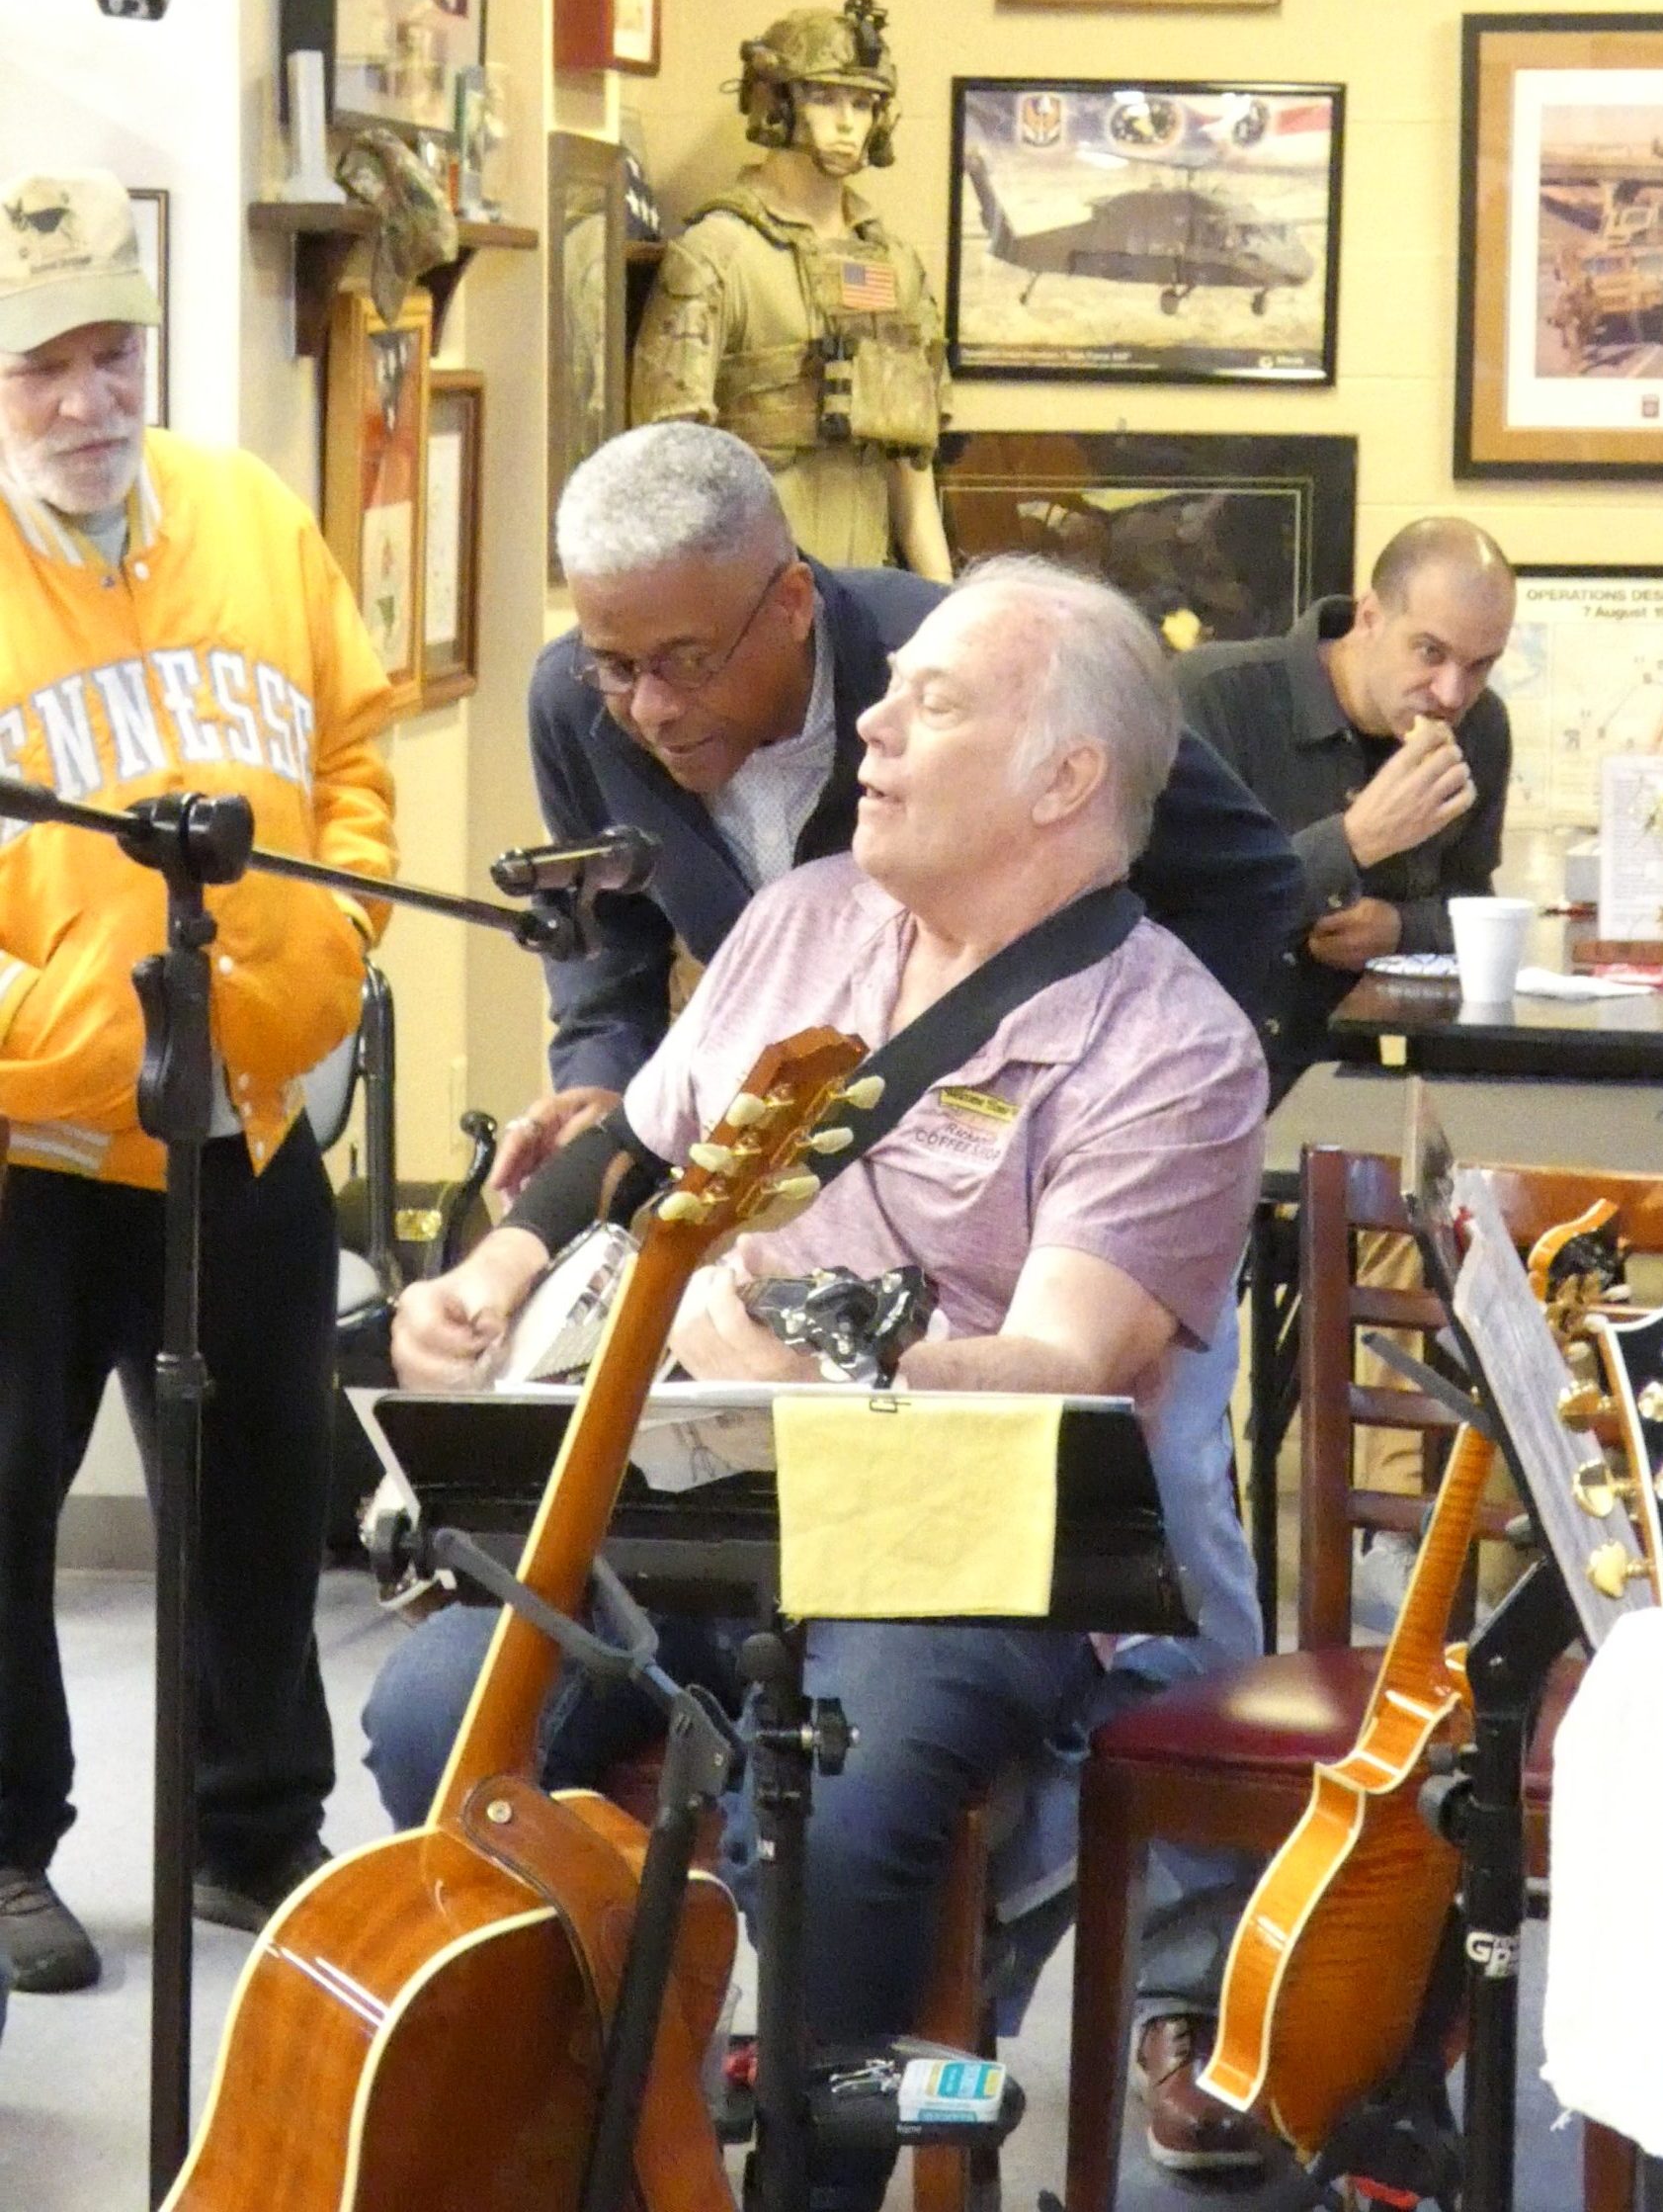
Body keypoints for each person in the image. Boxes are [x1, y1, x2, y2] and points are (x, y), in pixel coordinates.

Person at [366, 557, 1276, 2189]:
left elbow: (1067, 1363)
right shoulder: (799, 923)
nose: (872, 721)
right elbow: (639, 1146)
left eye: (932, 701)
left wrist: (824, 1353)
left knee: (851, 1811)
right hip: (702, 1495)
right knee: (438, 1712)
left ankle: (810, 2173)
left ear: (1064, 775)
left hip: (957, 1547)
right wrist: (490, 1278)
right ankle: (583, 2114)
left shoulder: (1174, 1043)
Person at [0, 169, 398, 1992]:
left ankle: (258, 1837)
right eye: (42, 369)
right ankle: (8, 1851)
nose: (89, 401)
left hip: (249, 1123)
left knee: (261, 1489)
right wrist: (87, 1031)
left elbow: (357, 743)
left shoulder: (245, 512)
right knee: (1, 1500)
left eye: (112, 354)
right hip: (27, 1146)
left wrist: (335, 950)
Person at [495, 419, 1302, 1199]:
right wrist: (605, 1096)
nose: (650, 707)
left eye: (691, 660)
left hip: (1035, 1184)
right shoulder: (575, 706)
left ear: (792, 602)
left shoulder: (963, 669)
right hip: (795, 1210)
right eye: (615, 664)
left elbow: (1246, 882)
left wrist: (1132, 1117)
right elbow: (604, 966)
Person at [1174, 518, 1517, 1100]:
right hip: (1215, 1076)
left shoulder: (1481, 727)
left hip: (1391, 1079)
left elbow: (1471, 907)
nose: (1452, 693)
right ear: (1370, 617)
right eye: (1430, 651)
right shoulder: (1213, 696)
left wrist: (1401, 928)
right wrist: (1353, 842)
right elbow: (1172, 921)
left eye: (1481, 664)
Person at [629, 0, 953, 578]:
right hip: (748, 596)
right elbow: (670, 473)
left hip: (865, 596)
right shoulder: (716, 256)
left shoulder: (897, 268)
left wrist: (948, 616)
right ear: (776, 101)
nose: (848, 121)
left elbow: (913, 485)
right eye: (824, 97)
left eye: (863, 102)